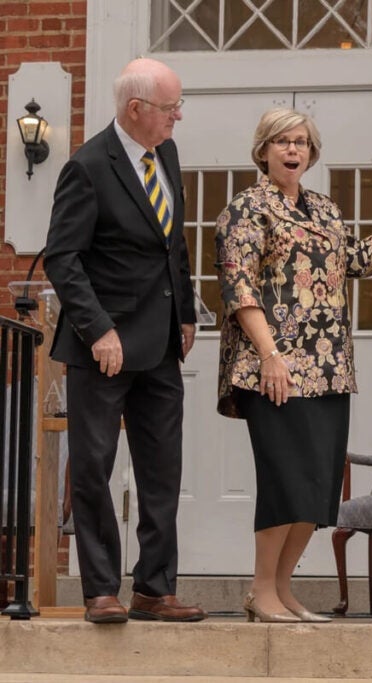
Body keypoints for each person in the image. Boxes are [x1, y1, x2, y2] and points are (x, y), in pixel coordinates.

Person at [215, 108, 372, 623]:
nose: (292, 149)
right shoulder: (246, 209)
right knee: (285, 479)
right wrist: (270, 356)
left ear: (311, 151)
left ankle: (283, 591)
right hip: (275, 369)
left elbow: (357, 260)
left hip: (329, 369)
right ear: (263, 150)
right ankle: (261, 591)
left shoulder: (325, 210)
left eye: (301, 141)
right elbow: (239, 286)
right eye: (282, 141)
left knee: (316, 486)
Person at [44, 58, 206, 623]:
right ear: (136, 110)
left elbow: (173, 246)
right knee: (93, 467)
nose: (177, 117)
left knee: (162, 470)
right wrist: (99, 329)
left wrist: (186, 314)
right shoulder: (87, 166)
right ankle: (101, 590)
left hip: (161, 344)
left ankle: (155, 588)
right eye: (170, 108)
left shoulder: (167, 155)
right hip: (103, 348)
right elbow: (63, 260)